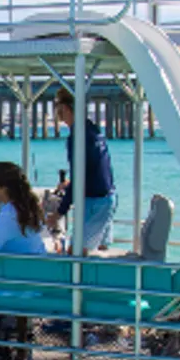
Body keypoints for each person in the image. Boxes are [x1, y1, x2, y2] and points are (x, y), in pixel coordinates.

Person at [50, 90, 115, 253]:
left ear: (64, 108)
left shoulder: (77, 137)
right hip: (106, 197)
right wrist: (70, 184)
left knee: (76, 253)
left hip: (95, 201)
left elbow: (79, 176)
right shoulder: (92, 130)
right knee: (97, 248)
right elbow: (93, 168)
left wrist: (59, 213)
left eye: (56, 108)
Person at [0, 161, 50, 254]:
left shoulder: (10, 214)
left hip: (24, 266)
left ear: (4, 188)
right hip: (37, 264)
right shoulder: (26, 207)